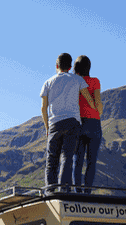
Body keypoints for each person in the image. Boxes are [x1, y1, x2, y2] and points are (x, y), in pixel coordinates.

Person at [40, 53, 96, 194]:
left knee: (52, 159)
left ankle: (50, 192)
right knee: (67, 157)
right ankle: (64, 189)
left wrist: (47, 127)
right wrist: (95, 110)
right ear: (70, 67)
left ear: (56, 66)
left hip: (55, 123)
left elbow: (43, 107)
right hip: (72, 122)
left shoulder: (48, 82)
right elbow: (88, 98)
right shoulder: (77, 79)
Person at [72, 55, 103, 192]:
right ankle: (87, 192)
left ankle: (77, 192)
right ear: (89, 67)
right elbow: (98, 103)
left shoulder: (74, 82)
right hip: (93, 122)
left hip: (78, 122)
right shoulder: (95, 81)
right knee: (91, 161)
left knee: (76, 161)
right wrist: (97, 114)